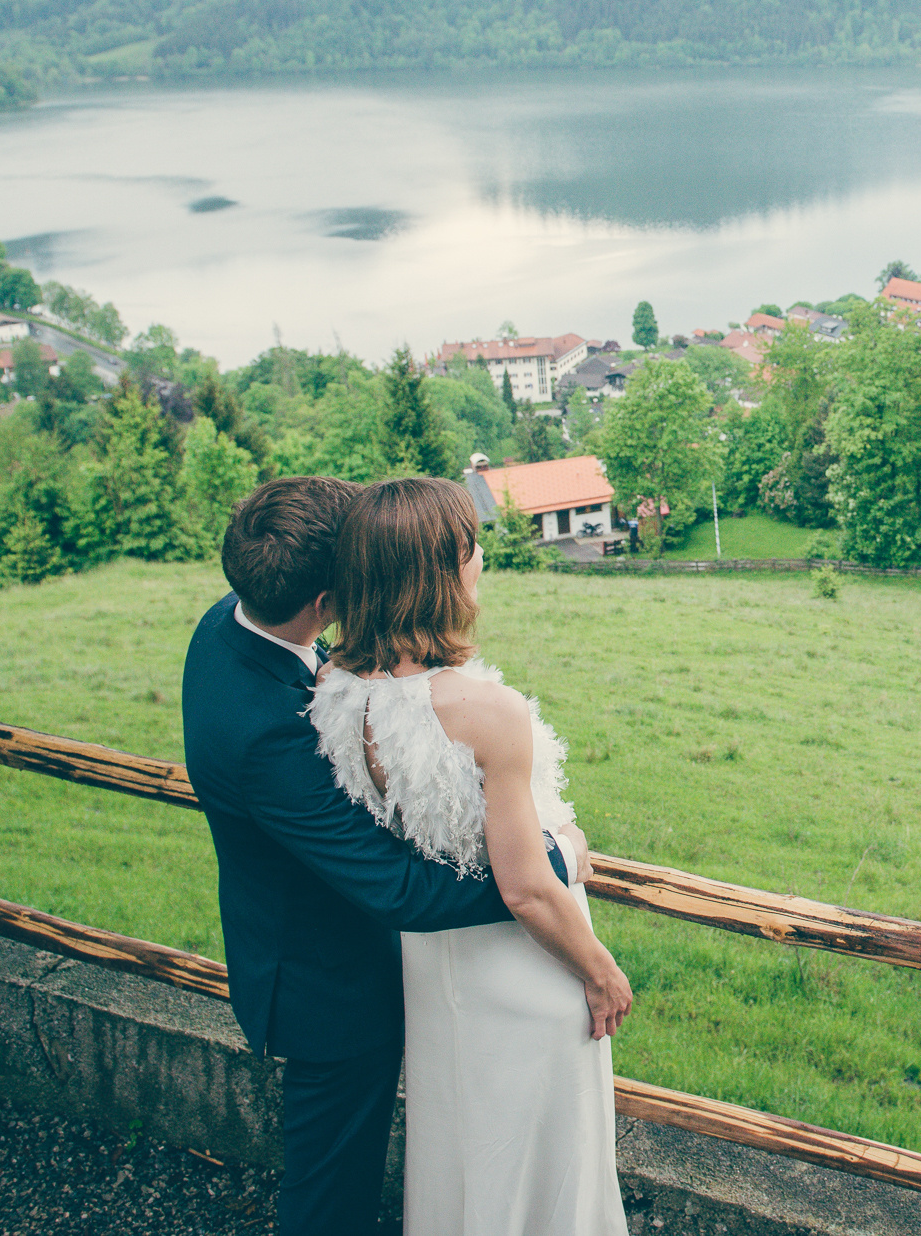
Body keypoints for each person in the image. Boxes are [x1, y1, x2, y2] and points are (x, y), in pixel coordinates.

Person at [183, 475, 587, 1236]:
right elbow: (401, 890)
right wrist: (551, 863)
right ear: (328, 599)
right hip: (326, 985)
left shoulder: (231, 623)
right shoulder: (264, 736)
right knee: (330, 1191)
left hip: (307, 941)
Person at [308, 476, 633, 1236]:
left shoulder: (335, 683)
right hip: (527, 967)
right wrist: (599, 969)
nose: (480, 557)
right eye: (471, 546)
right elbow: (524, 888)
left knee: (462, 1150)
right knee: (548, 1161)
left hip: (430, 964)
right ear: (440, 573)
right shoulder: (487, 711)